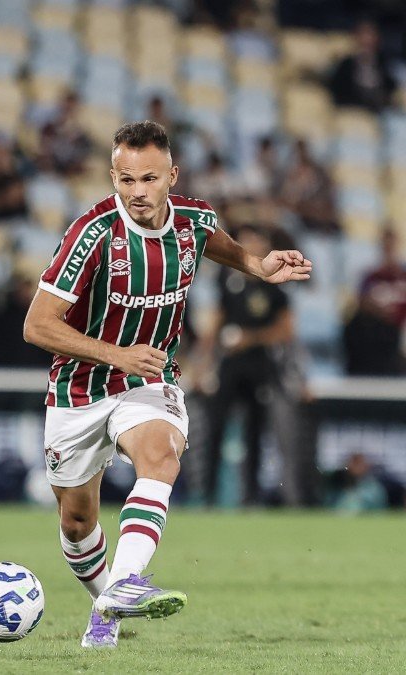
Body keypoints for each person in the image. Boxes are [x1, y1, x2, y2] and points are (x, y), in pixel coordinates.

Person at [22, 121, 312, 648]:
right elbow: (36, 325)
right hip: (80, 386)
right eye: (126, 180)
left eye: (149, 179)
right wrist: (117, 355)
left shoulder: (194, 220)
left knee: (161, 457)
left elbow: (216, 243)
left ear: (171, 176)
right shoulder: (93, 233)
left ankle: (127, 583)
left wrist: (257, 266)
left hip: (149, 379)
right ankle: (104, 605)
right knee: (75, 519)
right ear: (113, 176)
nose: (138, 192)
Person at [199, 224, 313, 507]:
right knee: (215, 428)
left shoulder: (274, 287)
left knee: (254, 431)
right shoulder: (227, 281)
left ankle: (249, 497)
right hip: (229, 367)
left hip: (261, 366)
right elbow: (215, 325)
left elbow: (285, 331)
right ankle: (207, 496)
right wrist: (202, 365)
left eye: (256, 240)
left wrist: (249, 338)